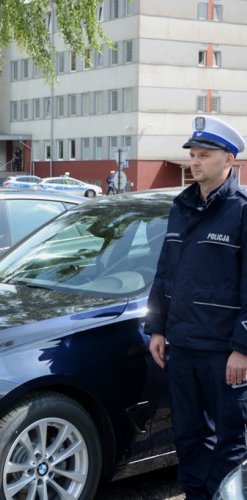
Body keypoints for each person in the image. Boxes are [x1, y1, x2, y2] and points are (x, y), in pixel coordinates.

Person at [146, 116, 247, 500]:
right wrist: (157, 328)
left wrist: (243, 348)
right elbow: (164, 272)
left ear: (229, 160)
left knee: (229, 440)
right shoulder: (181, 207)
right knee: (188, 435)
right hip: (182, 347)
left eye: (204, 155)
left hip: (224, 353)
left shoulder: (241, 210)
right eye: (193, 155)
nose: (194, 162)